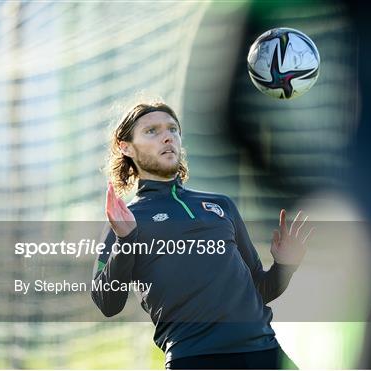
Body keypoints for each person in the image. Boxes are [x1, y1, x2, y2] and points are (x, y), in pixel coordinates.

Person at [91, 101, 314, 370]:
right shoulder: (126, 219)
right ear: (126, 147)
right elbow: (107, 302)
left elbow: (260, 291)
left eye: (173, 129)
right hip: (194, 359)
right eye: (152, 131)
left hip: (263, 350)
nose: (167, 136)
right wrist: (125, 241)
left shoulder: (222, 205)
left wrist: (284, 266)